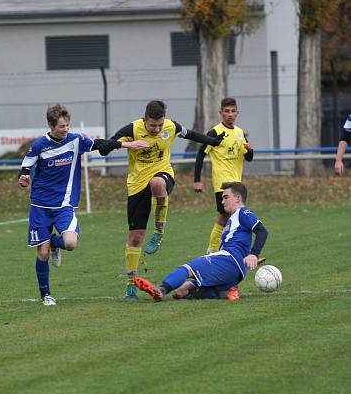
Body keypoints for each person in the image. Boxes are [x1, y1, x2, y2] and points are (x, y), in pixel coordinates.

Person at [18, 104, 148, 305]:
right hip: (40, 207)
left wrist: (127, 145)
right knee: (42, 253)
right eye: (62, 126)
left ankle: (55, 242)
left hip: (64, 205)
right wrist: (24, 178)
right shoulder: (39, 145)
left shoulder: (75, 140)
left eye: (67, 125)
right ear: (51, 126)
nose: (66, 129)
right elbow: (26, 166)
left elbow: (99, 144)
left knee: (70, 243)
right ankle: (46, 295)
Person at [100, 99, 224, 301]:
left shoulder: (171, 126)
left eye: (160, 125)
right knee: (135, 237)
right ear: (144, 119)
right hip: (136, 184)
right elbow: (105, 148)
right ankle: (130, 283)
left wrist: (214, 142)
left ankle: (159, 232)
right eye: (152, 126)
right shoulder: (132, 129)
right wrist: (126, 144)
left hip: (163, 174)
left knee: (157, 183)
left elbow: (191, 134)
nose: (157, 129)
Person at [134, 181, 268, 301]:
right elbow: (240, 244)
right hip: (236, 273)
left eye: (226, 197)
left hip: (229, 260)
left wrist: (253, 254)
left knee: (188, 269)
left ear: (238, 198)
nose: (222, 202)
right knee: (183, 290)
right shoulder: (234, 218)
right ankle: (225, 292)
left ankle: (161, 290)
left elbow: (262, 231)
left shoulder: (242, 212)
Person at [193, 96, 254, 253]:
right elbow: (200, 154)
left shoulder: (240, 133)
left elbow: (248, 158)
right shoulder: (215, 132)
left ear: (237, 113)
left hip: (237, 183)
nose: (230, 114)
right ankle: (213, 250)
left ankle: (225, 249)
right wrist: (197, 180)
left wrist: (250, 150)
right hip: (222, 183)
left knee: (232, 217)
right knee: (227, 216)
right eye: (227, 111)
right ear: (221, 113)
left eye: (233, 111)